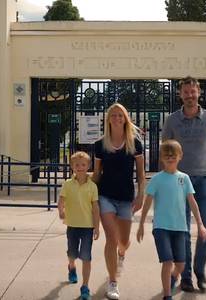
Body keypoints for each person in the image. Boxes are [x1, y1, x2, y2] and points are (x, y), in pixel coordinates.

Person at [162, 76, 206, 292]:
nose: (190, 95)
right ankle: (187, 277)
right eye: (186, 92)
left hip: (205, 179)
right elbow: (165, 152)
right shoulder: (172, 120)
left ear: (199, 93)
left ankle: (200, 270)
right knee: (182, 231)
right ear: (180, 94)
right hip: (179, 181)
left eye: (193, 92)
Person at [136, 140, 206, 300]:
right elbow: (147, 202)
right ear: (161, 158)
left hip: (180, 228)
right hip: (161, 227)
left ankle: (173, 278)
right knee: (167, 262)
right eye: (167, 156)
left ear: (180, 156)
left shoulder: (184, 178)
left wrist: (201, 225)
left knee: (181, 265)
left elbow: (192, 202)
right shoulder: (157, 179)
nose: (170, 158)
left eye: (173, 155)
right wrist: (141, 224)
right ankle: (167, 295)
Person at [92, 103, 145, 300]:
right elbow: (97, 174)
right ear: (108, 119)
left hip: (126, 198)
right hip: (105, 196)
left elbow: (141, 175)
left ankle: (121, 254)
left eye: (120, 115)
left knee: (123, 241)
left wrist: (141, 195)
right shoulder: (100, 144)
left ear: (125, 119)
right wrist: (82, 187)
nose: (116, 118)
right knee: (111, 239)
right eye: (113, 115)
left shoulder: (135, 144)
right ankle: (112, 282)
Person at [58, 151, 100, 300]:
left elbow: (95, 208)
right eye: (77, 165)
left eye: (83, 165)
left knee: (86, 256)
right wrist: (61, 211)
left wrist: (97, 226)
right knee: (72, 253)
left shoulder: (92, 186)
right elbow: (61, 199)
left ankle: (85, 287)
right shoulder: (67, 184)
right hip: (72, 225)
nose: (80, 167)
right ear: (72, 167)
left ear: (88, 166)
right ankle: (71, 266)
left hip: (87, 227)